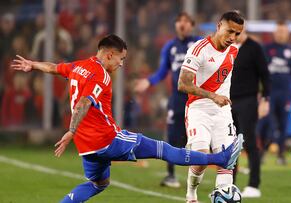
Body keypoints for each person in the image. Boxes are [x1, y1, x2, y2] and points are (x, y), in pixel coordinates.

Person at [11, 34, 242, 203]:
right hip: (108, 140)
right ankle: (221, 158)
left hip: (87, 147)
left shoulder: (79, 66)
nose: (121, 64)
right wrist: (71, 130)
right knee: (160, 148)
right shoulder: (100, 75)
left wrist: (33, 65)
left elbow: (54, 68)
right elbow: (83, 103)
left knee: (98, 184)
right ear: (109, 54)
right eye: (120, 59)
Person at [178, 11, 244, 203]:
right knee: (200, 159)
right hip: (199, 109)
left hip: (223, 113)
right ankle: (191, 193)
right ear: (218, 26)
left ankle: (223, 195)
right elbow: (182, 84)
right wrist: (213, 95)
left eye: (237, 34)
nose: (232, 38)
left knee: (227, 161)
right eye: (229, 31)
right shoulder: (198, 49)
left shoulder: (234, 49)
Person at [134, 12, 202, 188]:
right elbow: (162, 71)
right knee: (172, 137)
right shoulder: (169, 47)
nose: (182, 24)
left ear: (192, 25)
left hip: (197, 98)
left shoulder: (200, 44)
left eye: (186, 22)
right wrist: (148, 81)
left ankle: (197, 176)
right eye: (179, 21)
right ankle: (171, 175)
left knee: (198, 139)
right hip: (177, 99)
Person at [230, 23, 270, 198]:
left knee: (249, 143)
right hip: (227, 102)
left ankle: (254, 184)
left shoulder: (254, 48)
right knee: (230, 144)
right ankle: (229, 184)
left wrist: (265, 100)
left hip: (248, 101)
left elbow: (265, 75)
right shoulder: (227, 48)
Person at [261, 21, 291, 165]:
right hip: (269, 94)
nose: (281, 34)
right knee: (268, 124)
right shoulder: (266, 49)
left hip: (285, 94)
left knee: (283, 125)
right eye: (279, 31)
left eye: (283, 32)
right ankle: (262, 153)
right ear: (274, 33)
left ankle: (281, 155)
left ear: (288, 34)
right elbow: (261, 72)